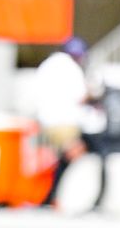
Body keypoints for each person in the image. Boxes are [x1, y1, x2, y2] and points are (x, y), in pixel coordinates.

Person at [35, 37, 90, 207]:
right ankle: (52, 197)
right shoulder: (72, 68)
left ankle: (49, 196)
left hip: (45, 120)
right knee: (73, 156)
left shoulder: (47, 64)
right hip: (65, 121)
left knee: (57, 159)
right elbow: (80, 96)